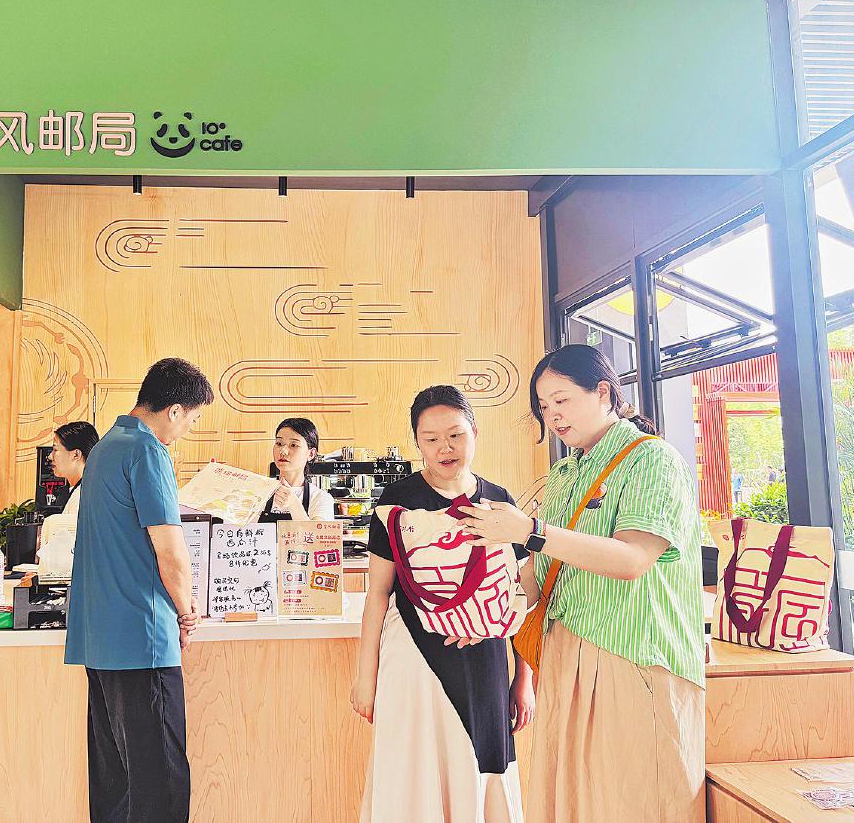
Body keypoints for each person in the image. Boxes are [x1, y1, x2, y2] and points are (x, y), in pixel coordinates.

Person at [459, 345, 705, 822]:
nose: (552, 415)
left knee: (632, 803)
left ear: (603, 393)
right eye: (543, 406)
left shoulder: (652, 460)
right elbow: (540, 574)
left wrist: (530, 531)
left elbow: (634, 558)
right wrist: (485, 615)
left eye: (562, 400)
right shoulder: (566, 472)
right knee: (571, 803)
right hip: (566, 652)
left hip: (633, 653)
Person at [353, 385, 534, 823]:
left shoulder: (500, 503)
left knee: (484, 763)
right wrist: (365, 675)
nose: (444, 448)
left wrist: (524, 678)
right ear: (417, 442)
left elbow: (523, 592)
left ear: (475, 431)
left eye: (455, 435)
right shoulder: (396, 502)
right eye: (431, 438)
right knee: (414, 765)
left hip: (486, 656)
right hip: (413, 654)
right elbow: (378, 593)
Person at [65, 357, 214, 823]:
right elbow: (170, 550)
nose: (186, 430)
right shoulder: (148, 451)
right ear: (174, 410)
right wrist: (188, 611)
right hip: (142, 639)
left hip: (101, 640)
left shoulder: (106, 447)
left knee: (116, 787)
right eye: (191, 419)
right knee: (160, 784)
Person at [259, 417, 335, 522]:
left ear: (311, 454)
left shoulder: (320, 498)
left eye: (293, 445)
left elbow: (317, 532)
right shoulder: (259, 493)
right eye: (279, 443)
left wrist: (294, 504)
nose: (283, 451)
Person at [49, 420, 100, 518]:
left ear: (76, 454)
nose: (50, 456)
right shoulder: (87, 490)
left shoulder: (82, 497)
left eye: (55, 450)